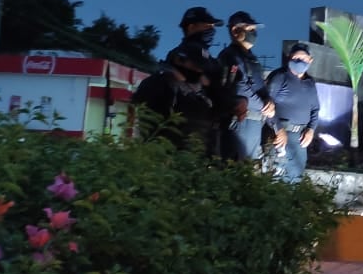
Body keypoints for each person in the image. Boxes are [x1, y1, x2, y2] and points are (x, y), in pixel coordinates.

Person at [130, 46, 218, 152]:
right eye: (196, 65)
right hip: (162, 158)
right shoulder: (158, 84)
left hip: (192, 160)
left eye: (202, 68)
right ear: (179, 60)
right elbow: (147, 126)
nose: (199, 71)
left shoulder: (200, 93)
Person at [217, 10, 276, 162]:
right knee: (236, 167)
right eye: (250, 30)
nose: (254, 33)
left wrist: (269, 100)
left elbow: (261, 87)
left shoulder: (252, 59)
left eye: (254, 30)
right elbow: (239, 87)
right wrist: (264, 105)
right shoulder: (230, 56)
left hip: (254, 122)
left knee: (248, 169)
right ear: (235, 30)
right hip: (240, 120)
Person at [265, 43, 321, 184]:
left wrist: (311, 130)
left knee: (296, 180)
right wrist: (279, 129)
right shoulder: (279, 76)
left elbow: (315, 109)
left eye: (303, 58)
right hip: (280, 136)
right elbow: (267, 107)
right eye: (296, 57)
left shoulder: (310, 82)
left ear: (310, 60)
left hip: (300, 139)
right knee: (277, 179)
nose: (299, 61)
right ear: (289, 58)